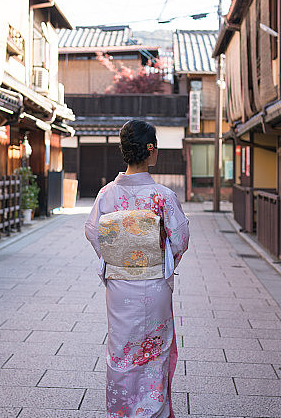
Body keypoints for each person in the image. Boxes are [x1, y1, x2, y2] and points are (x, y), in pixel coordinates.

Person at [85, 120, 190, 418]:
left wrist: (119, 256)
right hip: (154, 282)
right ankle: (152, 411)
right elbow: (180, 240)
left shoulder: (107, 195)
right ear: (151, 150)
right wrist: (158, 256)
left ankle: (122, 411)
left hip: (119, 285)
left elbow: (94, 234)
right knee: (153, 350)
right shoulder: (163, 196)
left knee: (121, 350)